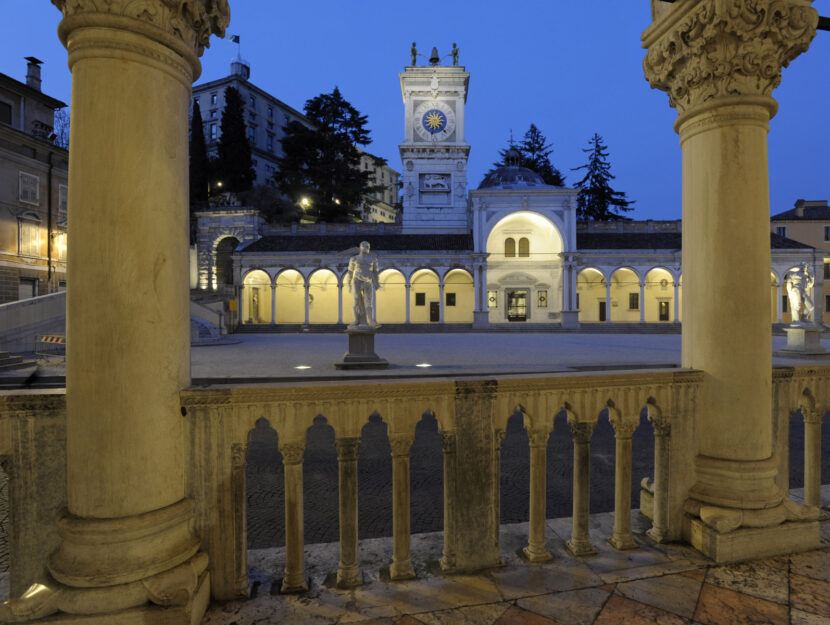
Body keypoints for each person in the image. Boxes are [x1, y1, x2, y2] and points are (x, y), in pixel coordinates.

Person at [346, 241, 381, 329]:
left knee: (368, 302)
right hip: (357, 281)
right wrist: (348, 283)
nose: (366, 248)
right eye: (364, 246)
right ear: (360, 247)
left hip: (368, 281)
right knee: (356, 300)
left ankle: (371, 320)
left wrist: (376, 282)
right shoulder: (354, 259)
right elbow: (350, 272)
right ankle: (356, 320)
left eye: (368, 246)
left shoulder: (373, 259)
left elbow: (375, 272)